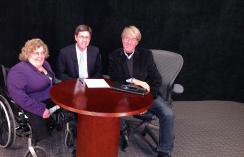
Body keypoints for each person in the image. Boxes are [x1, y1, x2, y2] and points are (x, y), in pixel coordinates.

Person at [108, 26, 175, 157]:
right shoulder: (114, 56)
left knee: (168, 114)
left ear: (137, 42)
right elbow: (115, 78)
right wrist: (135, 81)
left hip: (147, 96)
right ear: (122, 40)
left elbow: (156, 79)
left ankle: (164, 151)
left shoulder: (146, 55)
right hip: (124, 96)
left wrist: (147, 99)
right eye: (126, 38)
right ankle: (123, 129)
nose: (129, 42)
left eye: (133, 39)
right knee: (109, 107)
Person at [56, 24, 103, 156]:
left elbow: (99, 71)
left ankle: (101, 136)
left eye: (87, 37)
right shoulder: (64, 52)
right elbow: (60, 73)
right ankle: (81, 143)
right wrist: (78, 83)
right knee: (82, 114)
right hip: (73, 88)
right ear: (76, 37)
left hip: (91, 87)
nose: (84, 40)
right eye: (81, 37)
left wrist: (90, 84)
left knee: (102, 108)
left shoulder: (95, 51)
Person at [7, 38, 57, 144]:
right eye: (36, 53)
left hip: (48, 95)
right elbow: (20, 97)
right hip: (32, 101)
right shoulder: (18, 71)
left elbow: (51, 82)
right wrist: (40, 109)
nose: (40, 56)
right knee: (40, 124)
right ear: (28, 54)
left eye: (42, 52)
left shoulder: (45, 64)